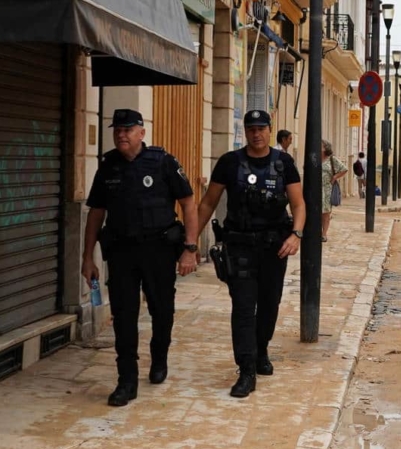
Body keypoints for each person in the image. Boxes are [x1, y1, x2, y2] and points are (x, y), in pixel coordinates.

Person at [81, 109, 199, 406]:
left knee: (162, 310)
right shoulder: (108, 167)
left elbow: (187, 203)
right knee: (123, 314)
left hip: (158, 250)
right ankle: (126, 380)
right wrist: (87, 257)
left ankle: (159, 357)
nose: (121, 134)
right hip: (121, 251)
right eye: (117, 130)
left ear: (141, 133)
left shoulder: (163, 162)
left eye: (128, 129)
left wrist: (190, 248)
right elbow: (96, 213)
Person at [196, 110, 305, 398]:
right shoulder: (230, 163)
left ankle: (261, 350)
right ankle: (245, 370)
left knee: (269, 305)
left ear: (270, 130)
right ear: (245, 132)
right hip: (240, 246)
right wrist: (189, 241)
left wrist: (296, 235)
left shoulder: (283, 164)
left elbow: (299, 204)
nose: (256, 133)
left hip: (274, 248)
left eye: (261, 128)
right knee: (243, 308)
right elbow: (207, 204)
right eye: (251, 129)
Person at [320, 140, 348, 242]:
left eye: (320, 145)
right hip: (315, 188)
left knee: (326, 212)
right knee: (315, 211)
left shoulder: (331, 159)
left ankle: (324, 234)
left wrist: (334, 177)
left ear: (325, 148)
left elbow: (344, 169)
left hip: (327, 188)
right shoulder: (314, 158)